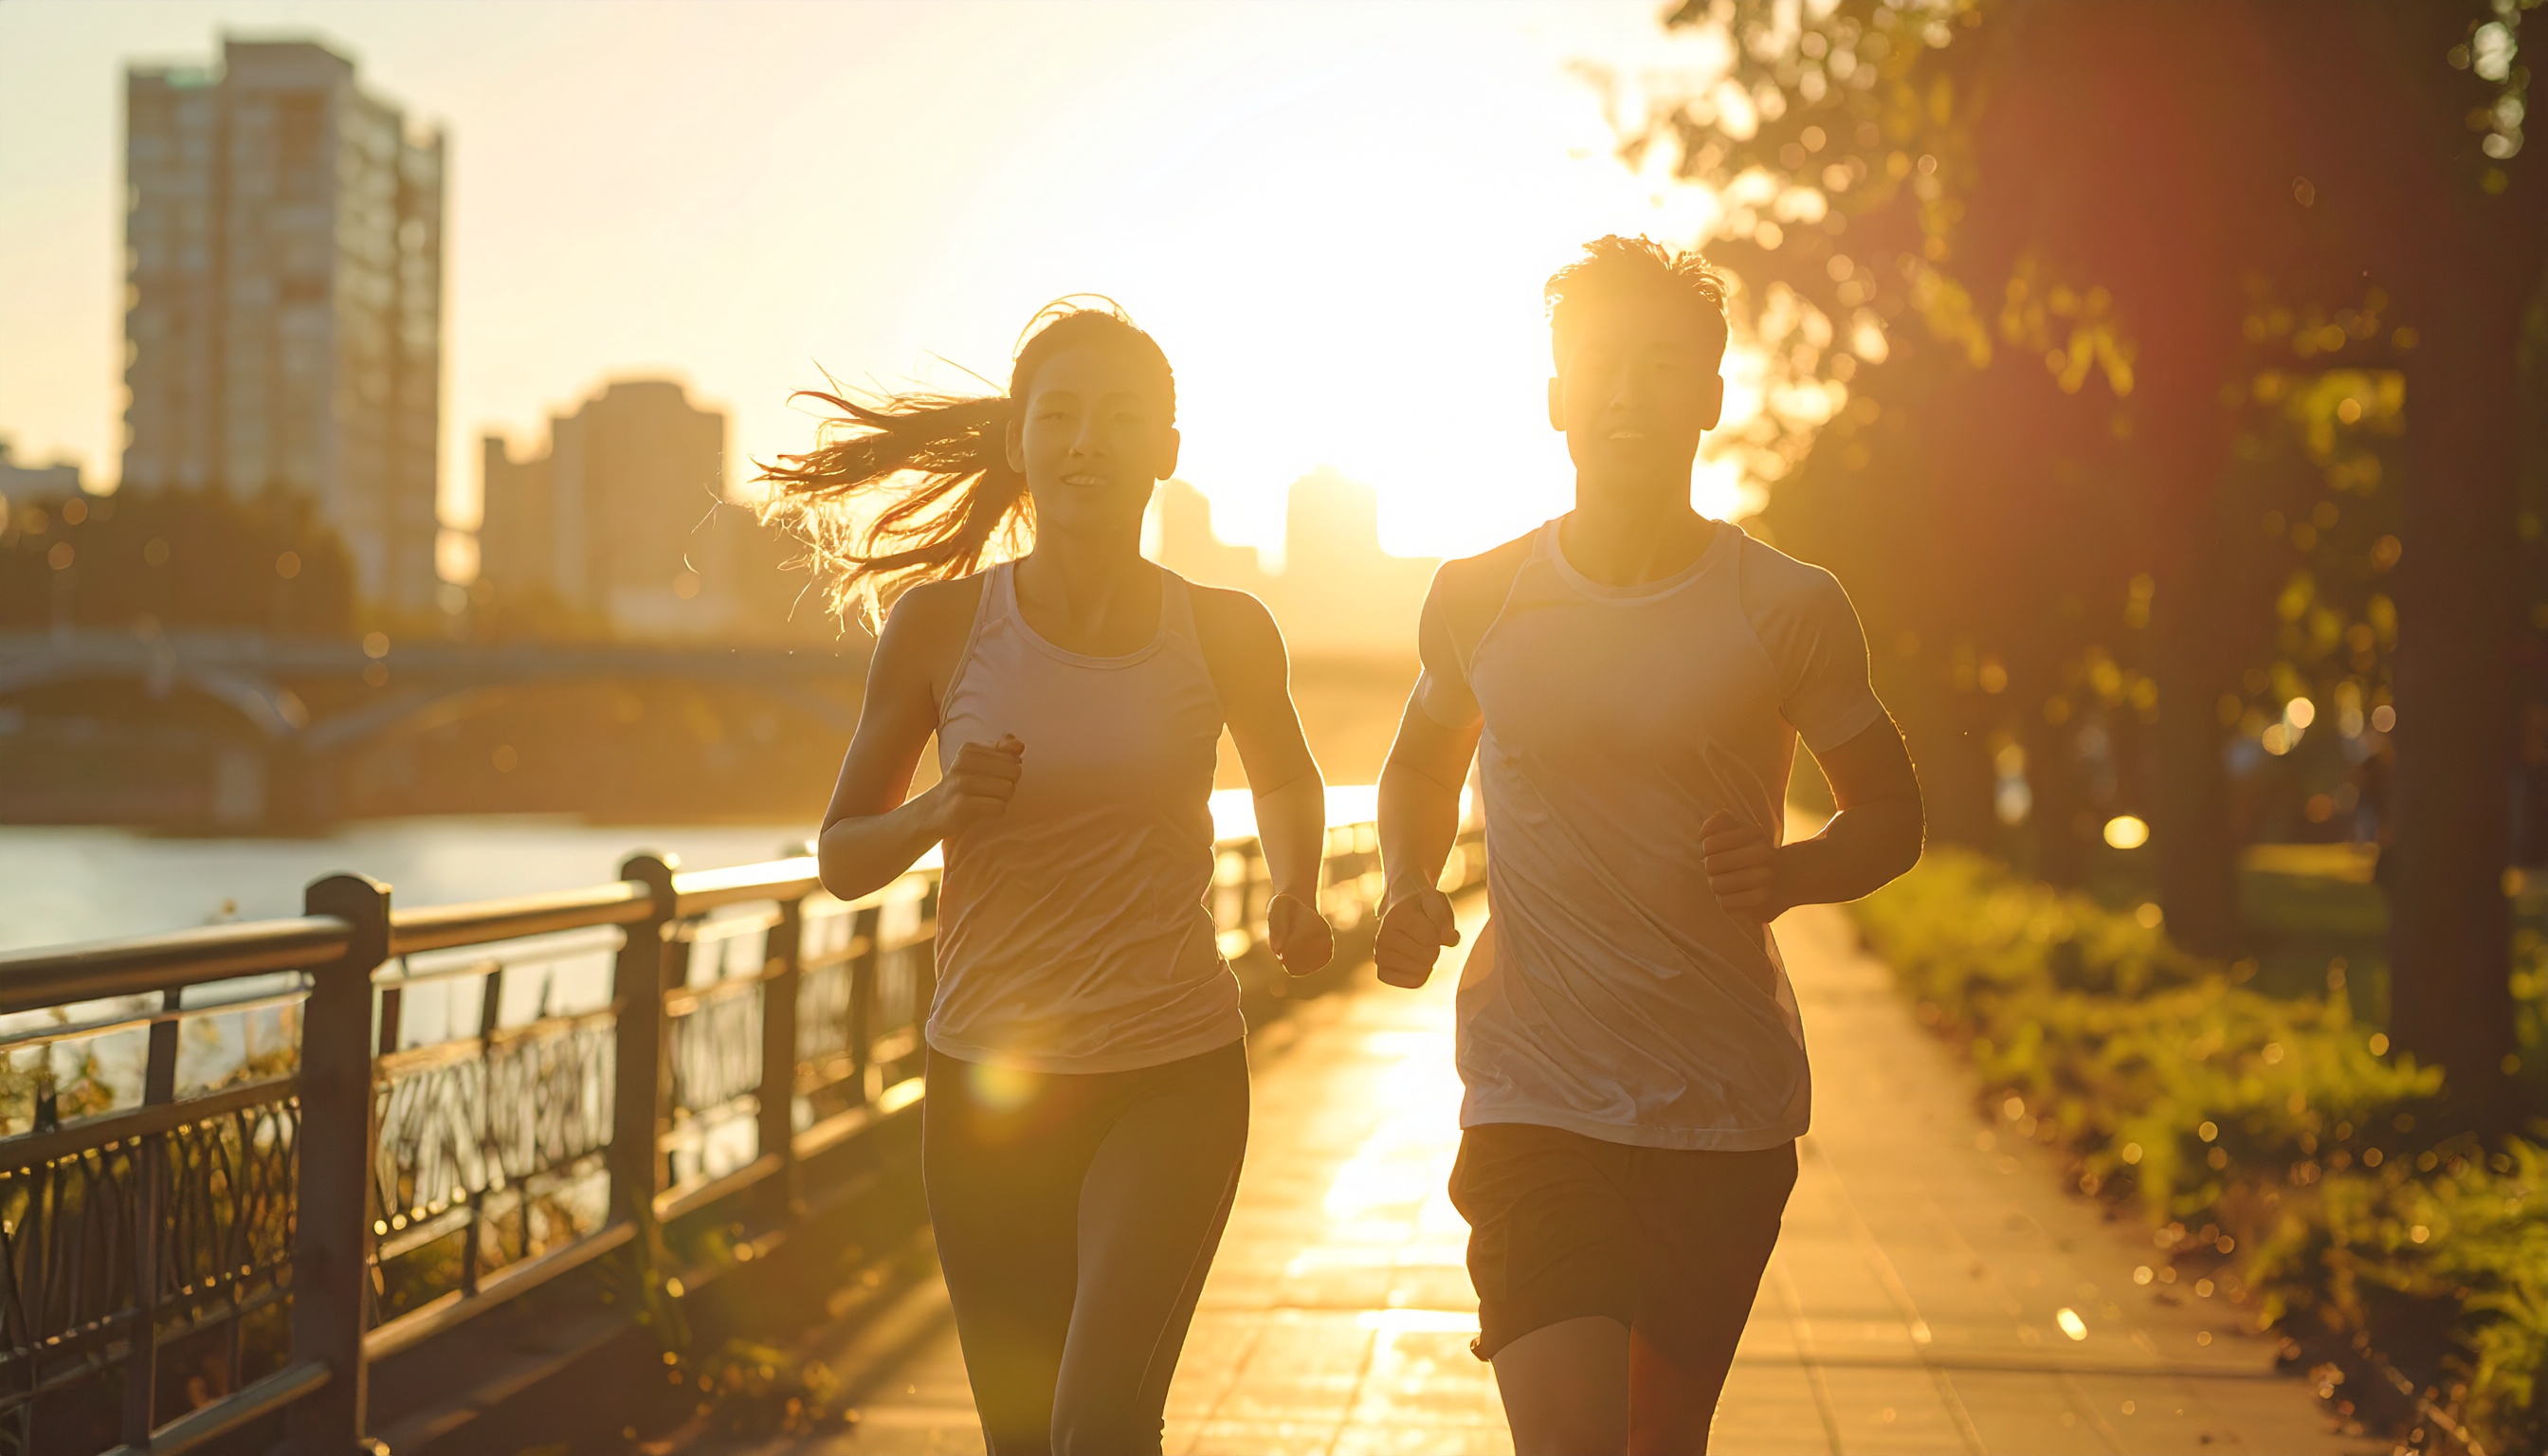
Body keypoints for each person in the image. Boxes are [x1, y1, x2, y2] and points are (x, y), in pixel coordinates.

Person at [1373, 237, 1924, 1456]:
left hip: (1721, 1114)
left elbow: (1891, 813)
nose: (1627, 395)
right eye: (1601, 367)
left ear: (1711, 398)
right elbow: (1419, 762)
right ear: (1557, 397)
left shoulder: (1787, 605)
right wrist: (1409, 882)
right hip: (1533, 1102)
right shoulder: (1480, 594)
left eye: (1663, 368)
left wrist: (1794, 873)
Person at [765, 301, 1335, 1456]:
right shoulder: (939, 628)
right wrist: (939, 809)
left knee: (1089, 1419)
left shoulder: (1224, 628)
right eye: (1060, 416)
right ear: (1018, 441)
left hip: (1170, 1072)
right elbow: (839, 857)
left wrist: (1293, 889)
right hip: (987, 1086)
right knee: (1039, 1437)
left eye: (1122, 418)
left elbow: (1284, 776)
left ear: (1166, 448)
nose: (1089, 442)